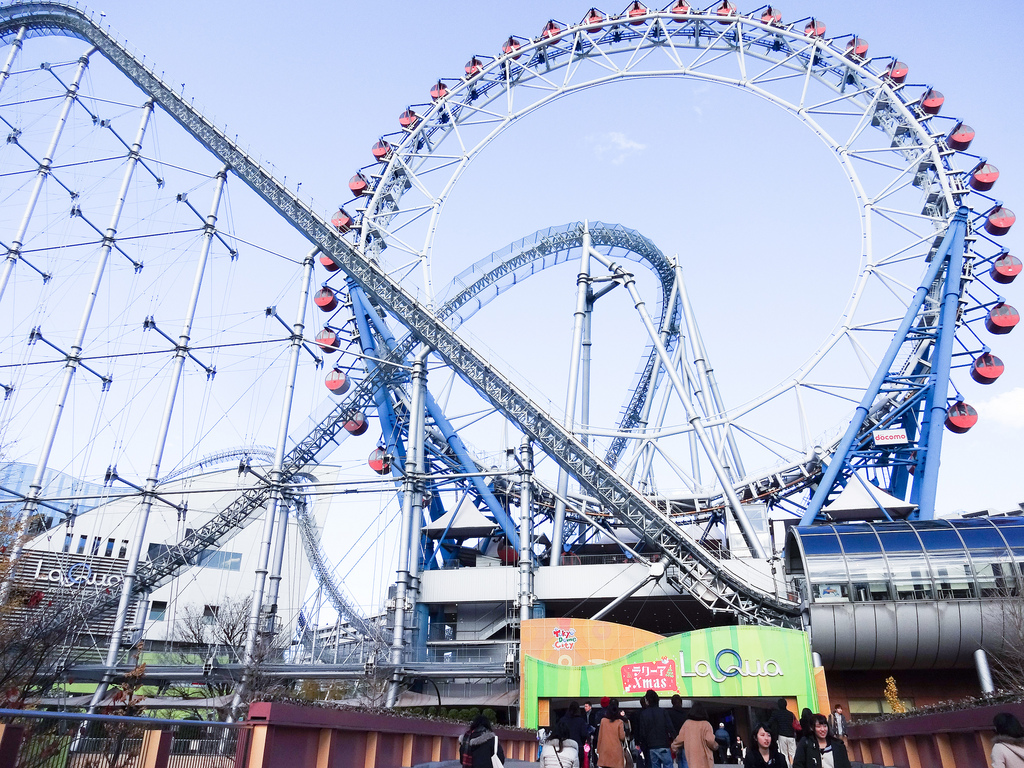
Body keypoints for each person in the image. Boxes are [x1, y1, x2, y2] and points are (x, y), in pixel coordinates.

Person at [636, 690, 676, 768]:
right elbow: (670, 728)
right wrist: (674, 741)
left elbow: (642, 732)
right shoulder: (663, 712)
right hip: (664, 745)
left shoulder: (644, 714)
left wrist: (643, 745)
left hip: (651, 747)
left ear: (647, 701)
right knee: (668, 765)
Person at [671, 702, 718, 768]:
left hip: (691, 757)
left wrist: (674, 747)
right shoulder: (706, 724)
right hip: (704, 759)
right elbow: (710, 740)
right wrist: (715, 746)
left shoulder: (687, 724)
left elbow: (679, 739)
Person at [597, 698, 627, 768]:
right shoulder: (619, 722)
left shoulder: (603, 721)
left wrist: (598, 750)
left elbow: (600, 737)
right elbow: (622, 737)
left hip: (605, 751)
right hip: (616, 752)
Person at [767, 699, 798, 766]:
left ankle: (787, 766)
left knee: (784, 754)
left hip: (782, 736)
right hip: (791, 736)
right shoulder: (790, 714)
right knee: (793, 754)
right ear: (786, 704)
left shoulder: (776, 713)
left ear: (778, 705)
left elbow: (770, 722)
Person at [668, 695, 688, 768]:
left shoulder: (669, 713)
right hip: (686, 739)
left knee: (679, 759)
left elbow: (669, 727)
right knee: (685, 759)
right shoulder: (686, 713)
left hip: (675, 739)